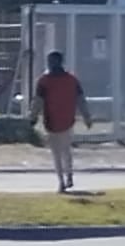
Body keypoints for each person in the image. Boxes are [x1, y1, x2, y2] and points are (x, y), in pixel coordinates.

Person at [32, 50, 93, 193]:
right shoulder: (71, 80)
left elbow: (38, 101)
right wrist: (87, 117)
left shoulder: (44, 81)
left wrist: (33, 117)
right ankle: (69, 175)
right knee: (66, 150)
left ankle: (61, 181)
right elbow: (81, 100)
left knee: (56, 153)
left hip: (51, 121)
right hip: (68, 119)